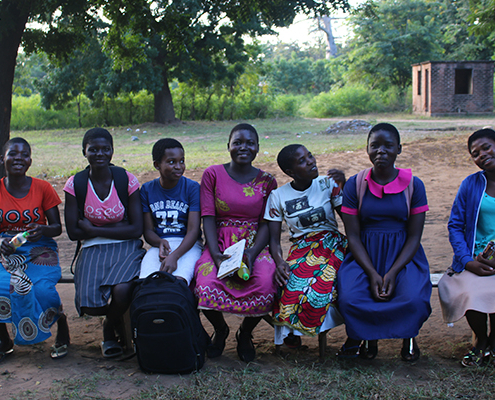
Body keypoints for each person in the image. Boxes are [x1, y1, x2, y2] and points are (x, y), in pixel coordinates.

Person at [337, 123, 431, 361]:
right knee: (351, 298)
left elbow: (413, 236)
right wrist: (371, 272)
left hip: (403, 254)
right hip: (364, 254)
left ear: (399, 149)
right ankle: (368, 337)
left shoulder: (414, 185)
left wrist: (393, 271)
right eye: (375, 146)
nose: (381, 151)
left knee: (414, 298)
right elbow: (354, 235)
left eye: (388, 145)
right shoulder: (355, 185)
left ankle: (409, 336)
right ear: (367, 149)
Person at [194, 123, 277, 362]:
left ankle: (245, 333)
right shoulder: (212, 174)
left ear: (258, 147)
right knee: (206, 282)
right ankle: (221, 330)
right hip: (219, 240)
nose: (244, 147)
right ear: (228, 146)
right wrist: (216, 253)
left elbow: (266, 223)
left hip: (254, 243)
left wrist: (252, 253)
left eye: (250, 143)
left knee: (265, 282)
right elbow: (208, 217)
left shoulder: (267, 181)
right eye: (237, 142)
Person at [64, 127, 145, 358]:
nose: (100, 153)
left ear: (112, 151)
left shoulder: (125, 179)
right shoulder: (76, 184)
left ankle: (110, 327)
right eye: (93, 149)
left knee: (122, 291)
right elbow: (72, 232)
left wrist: (93, 228)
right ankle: (114, 319)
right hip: (92, 249)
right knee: (90, 305)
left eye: (105, 149)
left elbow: (136, 230)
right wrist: (117, 228)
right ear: (84, 152)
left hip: (125, 248)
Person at [264, 144, 347, 350]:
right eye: (302, 161)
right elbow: (274, 240)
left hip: (331, 244)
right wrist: (280, 262)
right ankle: (291, 334)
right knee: (286, 283)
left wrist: (344, 185)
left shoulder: (327, 184)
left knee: (319, 282)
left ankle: (306, 331)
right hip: (301, 248)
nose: (311, 161)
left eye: (310, 156)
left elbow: (348, 219)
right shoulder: (278, 196)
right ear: (290, 172)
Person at [0, 137, 70, 361]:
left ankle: (61, 323)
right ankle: (4, 339)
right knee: (3, 285)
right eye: (13, 153)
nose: (18, 158)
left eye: (24, 154)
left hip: (39, 249)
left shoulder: (43, 188)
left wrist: (43, 229)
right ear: (3, 159)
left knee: (42, 290)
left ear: (30, 160)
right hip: (7, 250)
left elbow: (57, 228)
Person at [438, 128, 495, 367]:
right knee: (469, 291)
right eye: (475, 153)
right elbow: (455, 225)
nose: (481, 155)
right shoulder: (471, 184)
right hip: (477, 258)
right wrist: (466, 260)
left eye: (486, 148)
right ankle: (481, 340)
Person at [139, 138, 202, 284]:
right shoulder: (147, 190)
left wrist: (175, 256)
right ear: (157, 165)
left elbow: (193, 231)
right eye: (171, 162)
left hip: (188, 244)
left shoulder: (192, 188)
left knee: (178, 282)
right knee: (146, 283)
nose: (179, 166)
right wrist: (159, 241)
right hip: (160, 244)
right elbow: (148, 231)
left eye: (182, 161)